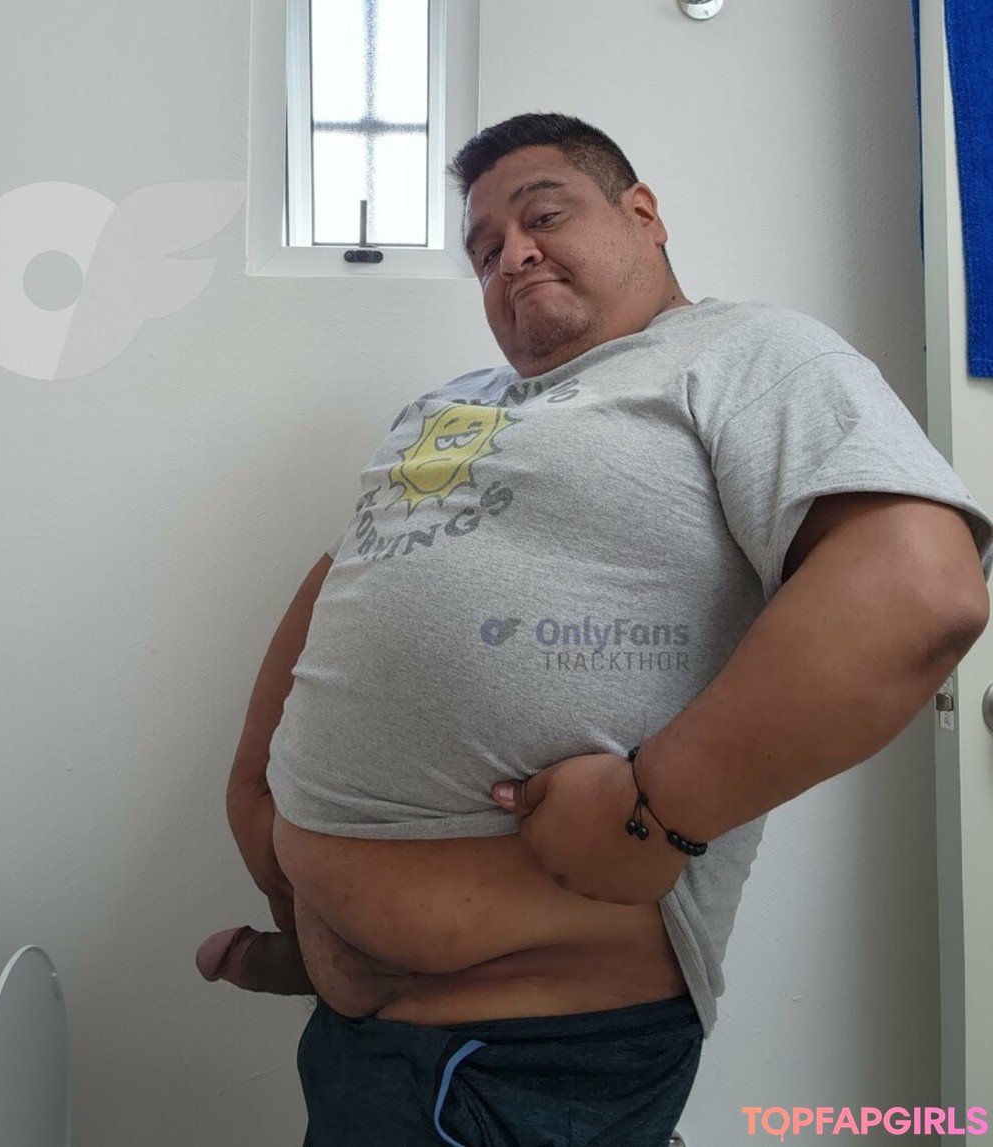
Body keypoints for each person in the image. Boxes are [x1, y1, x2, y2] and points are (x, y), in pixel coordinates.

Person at [197, 113, 993, 1146]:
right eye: (485, 250)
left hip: (528, 1061)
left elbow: (917, 585)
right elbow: (359, 561)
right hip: (355, 1043)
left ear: (643, 214)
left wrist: (652, 808)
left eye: (543, 216)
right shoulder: (454, 402)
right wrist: (254, 788)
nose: (512, 254)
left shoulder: (749, 352)